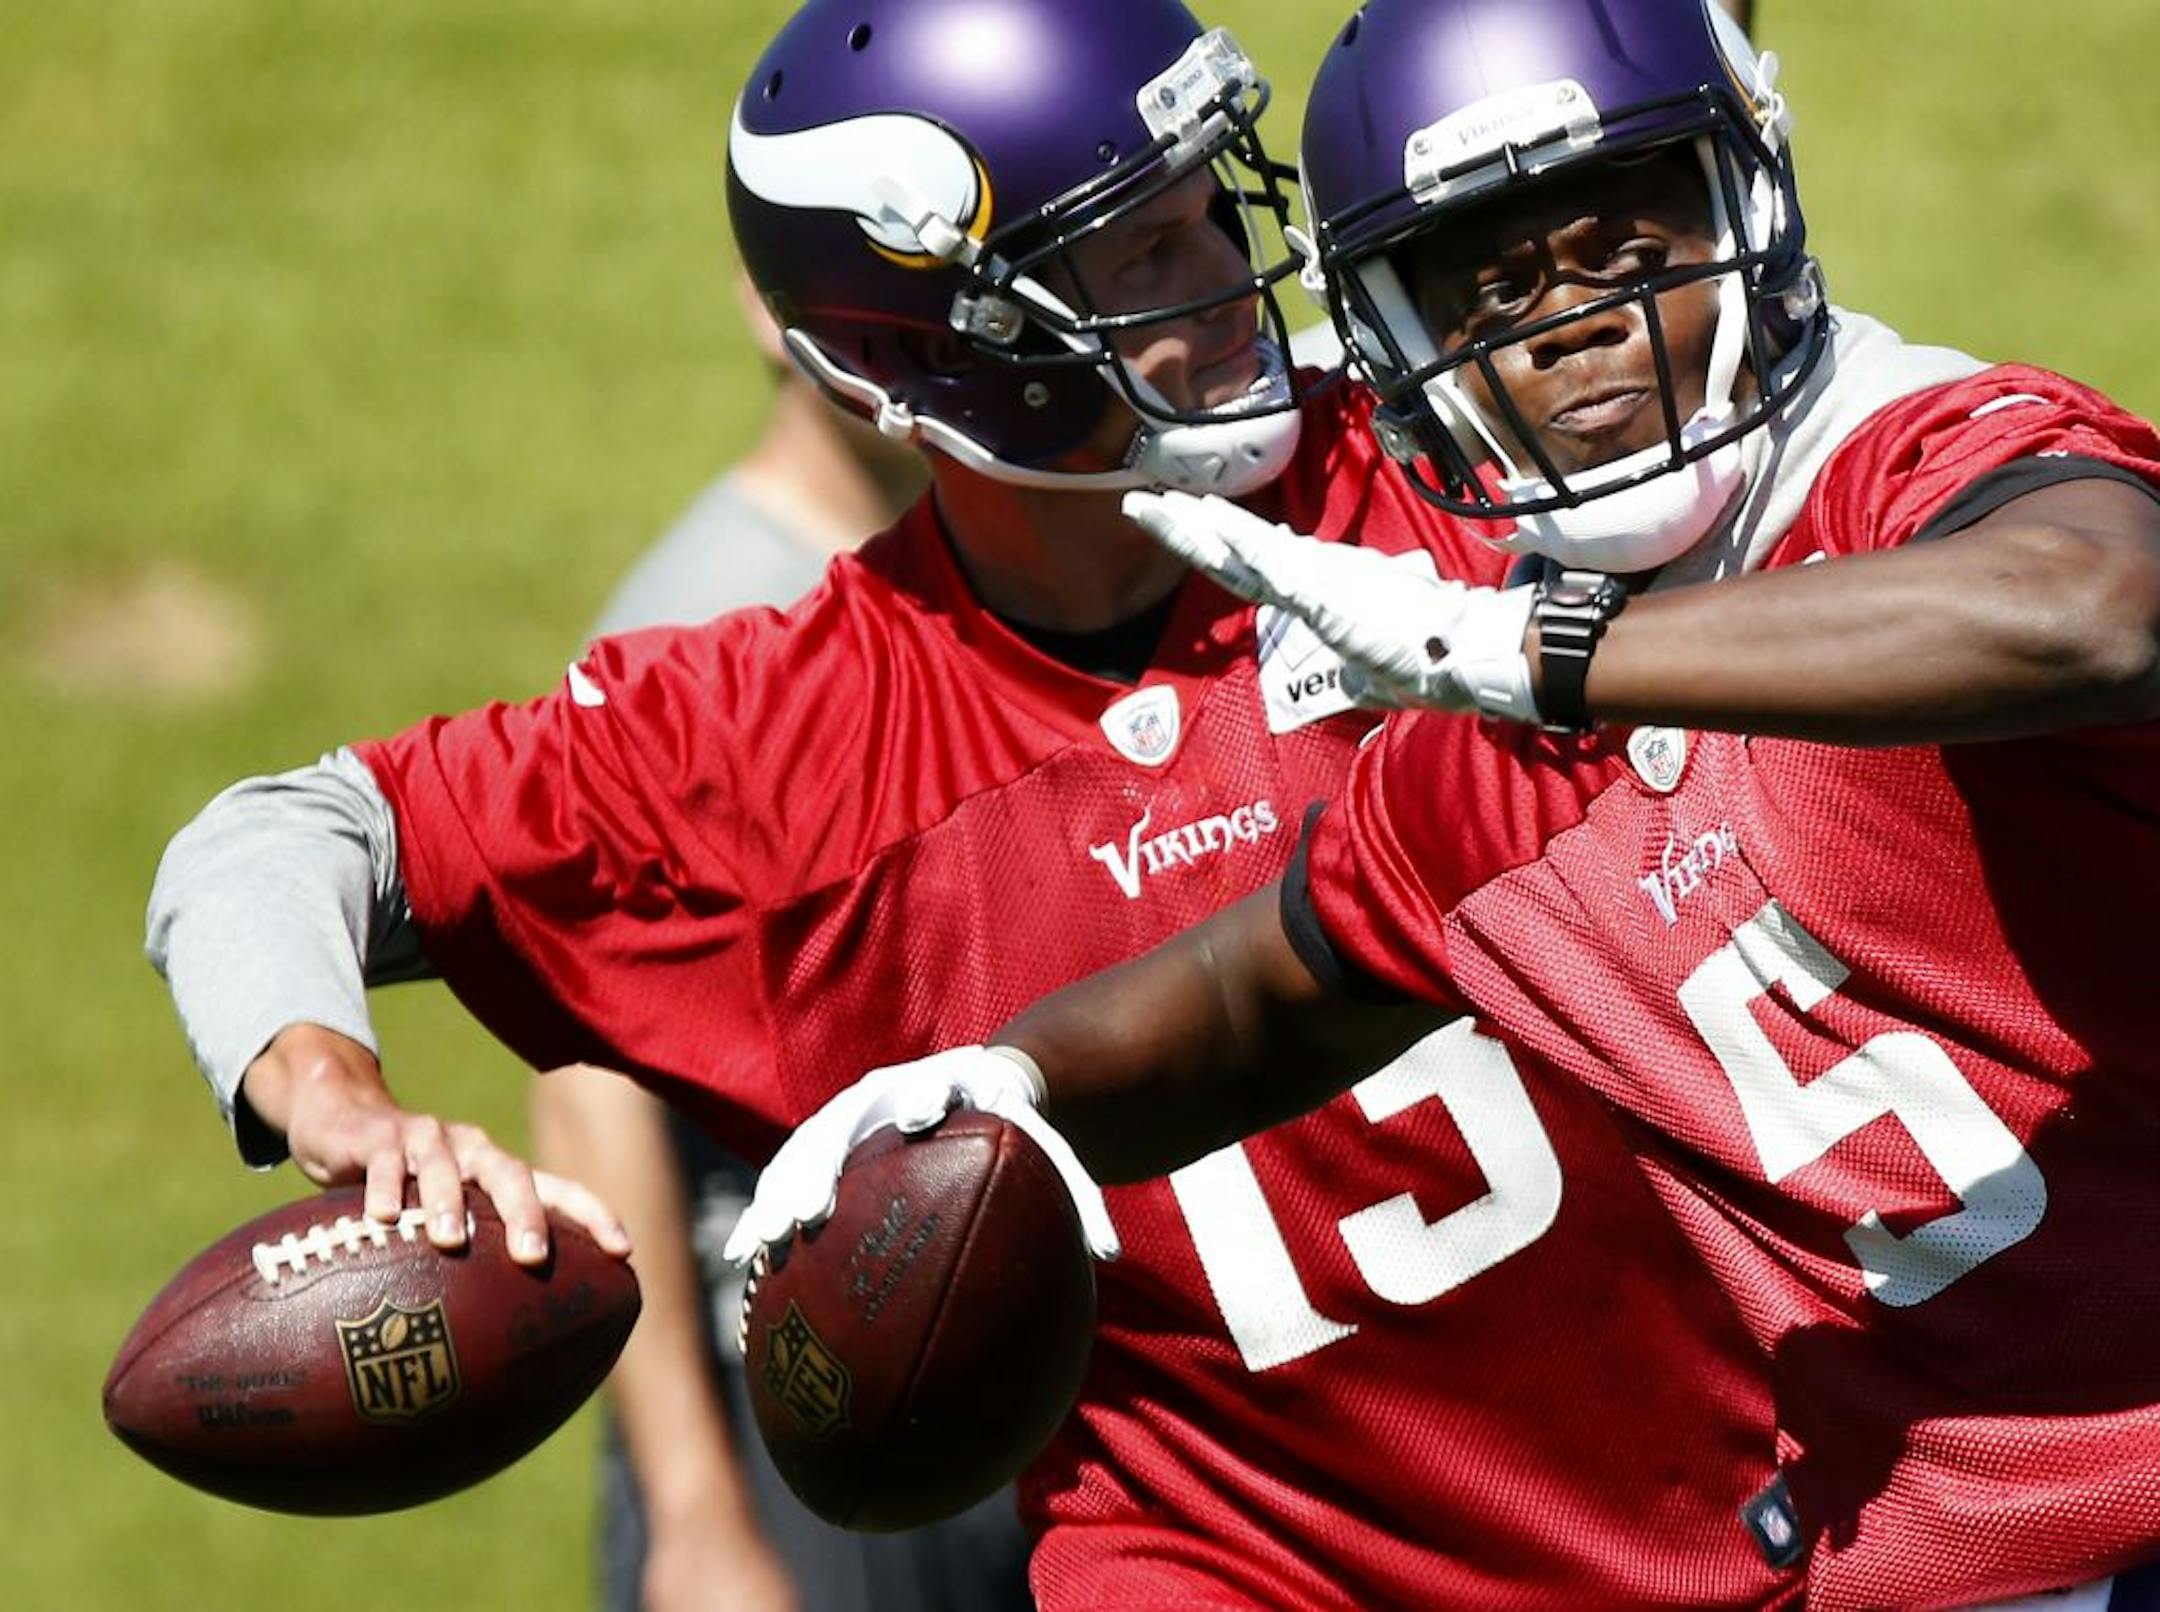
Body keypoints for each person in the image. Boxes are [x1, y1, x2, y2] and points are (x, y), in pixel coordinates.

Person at [146, 1, 1809, 1605]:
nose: (1227, 282)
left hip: (1761, 1487)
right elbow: (282, 840)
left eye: (1208, 208)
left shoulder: (1444, 451)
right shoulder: (777, 736)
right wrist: (335, 1101)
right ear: (933, 353)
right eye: (1135, 252)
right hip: (1252, 1576)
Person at [732, 1, 2160, 1607]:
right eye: (1491, 286)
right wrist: (992, 1085)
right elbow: (1262, 993)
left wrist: (1538, 648)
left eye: (1622, 247)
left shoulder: (1913, 461)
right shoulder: (1492, 746)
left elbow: (2096, 609)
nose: (1571, 329)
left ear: (1746, 199)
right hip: (1953, 1568)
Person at [531, 284, 1036, 1612]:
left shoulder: (1009, 566)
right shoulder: (706, 642)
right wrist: (701, 1520)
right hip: (811, 1411)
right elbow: (587, 1090)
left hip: (1004, 1361)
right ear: (768, 312)